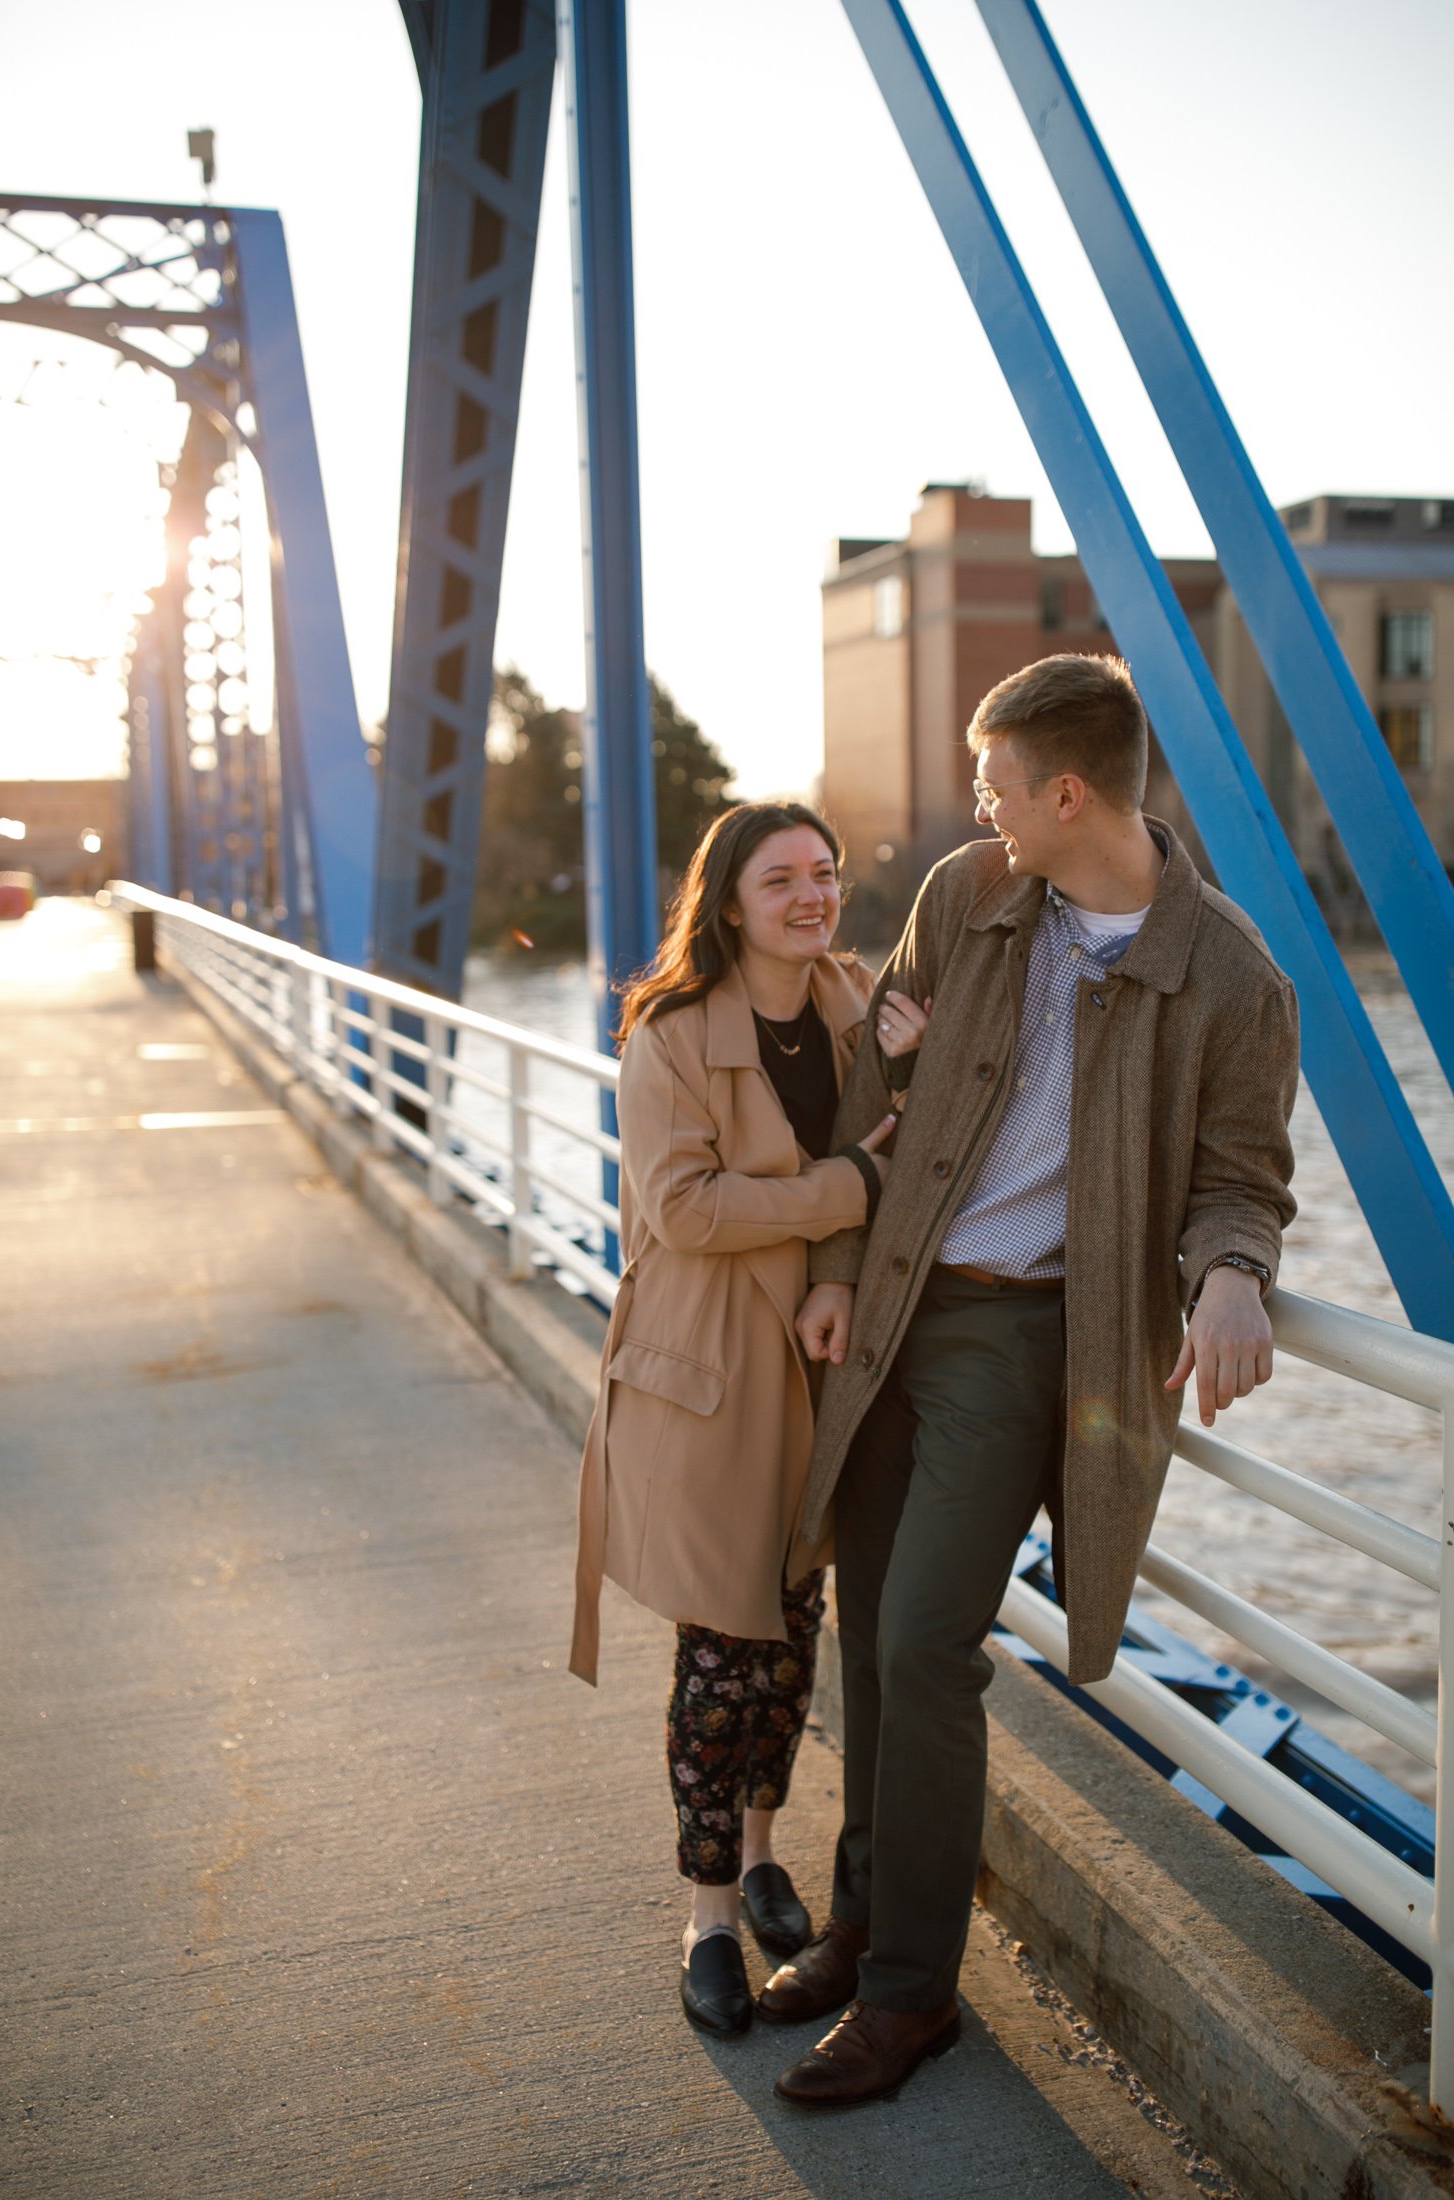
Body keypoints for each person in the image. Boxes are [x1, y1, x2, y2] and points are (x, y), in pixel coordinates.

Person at [757, 653, 1299, 2107]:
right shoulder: (966, 899)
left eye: (996, 783)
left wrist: (1233, 1272)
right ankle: (864, 1909)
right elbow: (876, 1094)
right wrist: (826, 1273)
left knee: (929, 1641)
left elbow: (1241, 1178)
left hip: (1020, 1340)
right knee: (865, 1622)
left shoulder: (1231, 978)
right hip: (891, 1304)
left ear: (1066, 794)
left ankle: (904, 1997)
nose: (978, 805)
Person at [569, 801, 905, 2038]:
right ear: (729, 904)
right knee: (721, 1655)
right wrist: (846, 1186)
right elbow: (688, 1209)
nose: (813, 897)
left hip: (821, 1358)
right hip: (710, 1365)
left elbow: (907, 1144)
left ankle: (765, 1853)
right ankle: (707, 1915)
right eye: (782, 880)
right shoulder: (666, 1035)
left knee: (792, 1628)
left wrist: (834, 1264)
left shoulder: (856, 1001)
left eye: (825, 873)